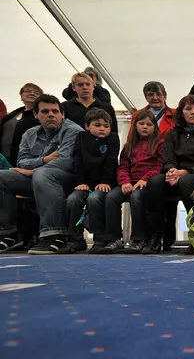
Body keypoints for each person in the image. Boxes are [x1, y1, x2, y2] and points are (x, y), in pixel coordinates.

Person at [0, 94, 84, 254]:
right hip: (38, 178)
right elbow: (22, 161)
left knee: (43, 174)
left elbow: (66, 162)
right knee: (2, 177)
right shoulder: (29, 134)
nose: (51, 115)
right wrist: (44, 159)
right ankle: (8, 234)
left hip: (69, 180)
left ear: (62, 114)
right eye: (45, 111)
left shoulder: (73, 131)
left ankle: (55, 235)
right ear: (35, 114)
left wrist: (34, 170)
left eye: (55, 111)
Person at [144, 95, 194, 253]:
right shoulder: (173, 134)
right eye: (188, 109)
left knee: (187, 183)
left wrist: (183, 172)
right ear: (181, 113)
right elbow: (168, 158)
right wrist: (172, 170)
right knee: (155, 183)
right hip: (176, 174)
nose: (193, 112)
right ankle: (155, 237)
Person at [98, 111, 164, 254]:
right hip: (129, 182)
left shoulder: (160, 144)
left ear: (155, 127)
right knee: (111, 197)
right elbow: (122, 167)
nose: (145, 127)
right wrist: (124, 182)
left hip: (146, 184)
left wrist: (145, 179)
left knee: (136, 198)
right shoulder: (129, 146)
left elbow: (160, 166)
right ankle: (113, 239)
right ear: (135, 126)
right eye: (141, 124)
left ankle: (138, 239)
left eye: (149, 124)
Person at [128, 81, 177, 252]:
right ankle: (146, 239)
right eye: (150, 94)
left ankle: (168, 239)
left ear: (165, 96)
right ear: (146, 97)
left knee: (169, 204)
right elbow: (131, 144)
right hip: (144, 170)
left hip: (167, 163)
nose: (155, 97)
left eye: (158, 94)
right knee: (144, 198)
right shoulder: (138, 115)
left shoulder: (175, 114)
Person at [64, 109, 120, 253]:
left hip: (106, 182)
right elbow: (77, 160)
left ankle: (99, 238)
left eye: (106, 126)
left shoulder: (113, 139)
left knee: (95, 199)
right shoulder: (81, 138)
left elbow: (111, 161)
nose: (102, 128)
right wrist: (80, 181)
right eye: (97, 125)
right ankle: (75, 239)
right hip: (84, 183)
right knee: (73, 200)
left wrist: (105, 181)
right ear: (87, 126)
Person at [1, 83, 43, 166]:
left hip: (24, 161)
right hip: (4, 158)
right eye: (28, 91)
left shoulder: (41, 116)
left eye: (36, 92)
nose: (32, 93)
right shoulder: (11, 116)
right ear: (21, 95)